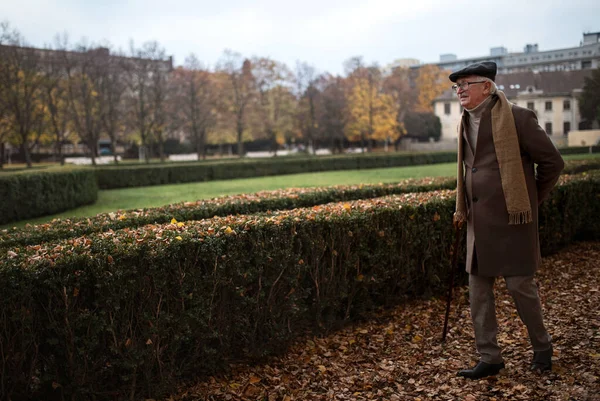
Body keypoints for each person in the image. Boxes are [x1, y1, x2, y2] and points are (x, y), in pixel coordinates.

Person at [450, 62, 565, 379]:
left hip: (514, 223)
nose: (459, 90)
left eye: (465, 84)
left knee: (520, 288)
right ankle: (490, 357)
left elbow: (553, 163)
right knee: (478, 293)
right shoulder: (464, 121)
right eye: (456, 86)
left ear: (486, 86)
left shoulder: (518, 118)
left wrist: (528, 200)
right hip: (478, 222)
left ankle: (542, 348)